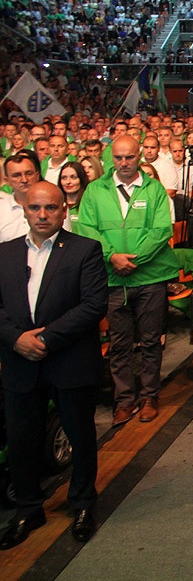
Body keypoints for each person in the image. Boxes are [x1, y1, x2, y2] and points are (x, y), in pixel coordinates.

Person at [0, 182, 108, 549]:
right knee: (21, 440)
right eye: (35, 208)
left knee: (79, 434)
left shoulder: (85, 250)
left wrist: (44, 339)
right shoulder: (4, 253)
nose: (42, 215)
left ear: (64, 211)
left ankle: (82, 503)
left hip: (69, 360)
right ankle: (28, 508)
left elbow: (93, 306)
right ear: (24, 210)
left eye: (51, 208)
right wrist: (16, 339)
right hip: (19, 362)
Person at [76, 136, 179, 426]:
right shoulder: (95, 191)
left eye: (130, 157)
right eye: (118, 157)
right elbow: (86, 229)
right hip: (111, 280)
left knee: (149, 341)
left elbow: (161, 230)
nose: (124, 163)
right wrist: (112, 257)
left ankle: (149, 396)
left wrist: (133, 260)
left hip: (149, 277)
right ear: (111, 158)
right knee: (119, 344)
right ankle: (123, 400)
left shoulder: (154, 189)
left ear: (139, 157)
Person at [0, 152, 42, 242]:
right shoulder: (1, 208)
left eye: (29, 173)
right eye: (17, 175)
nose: (24, 180)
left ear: (37, 176)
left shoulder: (55, 205)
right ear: (7, 181)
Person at [58, 161, 90, 231]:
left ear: (81, 179)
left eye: (73, 177)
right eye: (64, 178)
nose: (68, 182)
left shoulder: (89, 204)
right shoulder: (57, 204)